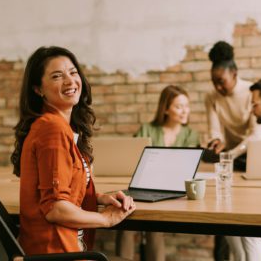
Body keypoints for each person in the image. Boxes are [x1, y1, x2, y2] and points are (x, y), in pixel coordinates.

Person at [11, 46, 136, 254]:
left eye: (73, 72)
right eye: (57, 76)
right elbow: (55, 209)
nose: (70, 81)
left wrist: (100, 198)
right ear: (38, 89)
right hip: (55, 251)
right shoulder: (52, 128)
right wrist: (105, 219)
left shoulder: (55, 126)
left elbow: (64, 190)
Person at [116, 85, 199, 261]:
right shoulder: (147, 129)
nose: (185, 111)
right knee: (124, 218)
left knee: (154, 225)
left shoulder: (191, 134)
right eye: (179, 106)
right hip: (144, 185)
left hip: (172, 191)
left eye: (187, 106)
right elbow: (132, 158)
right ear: (166, 109)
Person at [205, 41, 261, 261]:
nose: (218, 88)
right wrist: (216, 142)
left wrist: (231, 153)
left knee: (249, 224)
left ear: (234, 74)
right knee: (227, 217)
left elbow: (256, 134)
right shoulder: (212, 97)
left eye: (221, 82)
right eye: (214, 83)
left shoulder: (252, 92)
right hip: (230, 161)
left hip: (256, 158)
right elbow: (215, 130)